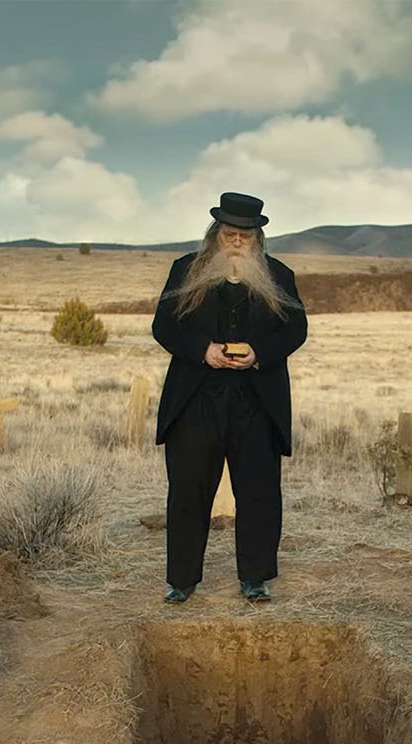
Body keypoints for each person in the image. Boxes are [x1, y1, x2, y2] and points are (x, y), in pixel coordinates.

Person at [152, 192, 308, 604]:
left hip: (256, 403)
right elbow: (163, 327)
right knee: (188, 491)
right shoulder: (185, 271)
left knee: (258, 492)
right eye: (228, 233)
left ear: (258, 238)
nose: (236, 241)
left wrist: (259, 353)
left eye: (245, 235)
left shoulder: (280, 276)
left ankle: (254, 578)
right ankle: (181, 580)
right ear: (214, 234)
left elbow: (295, 332)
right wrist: (202, 350)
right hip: (195, 402)